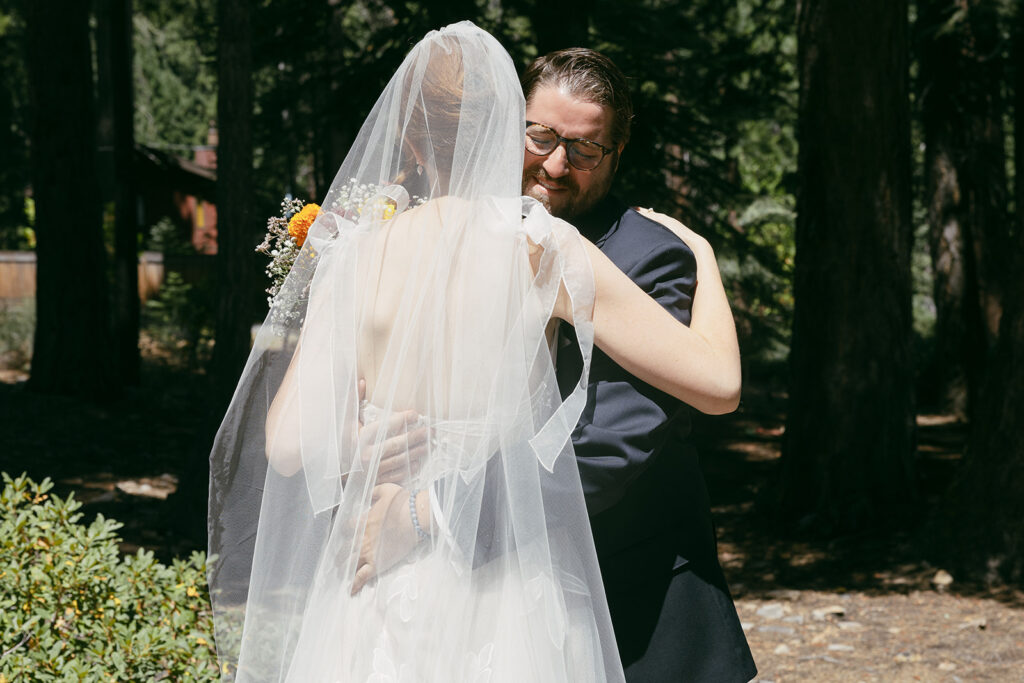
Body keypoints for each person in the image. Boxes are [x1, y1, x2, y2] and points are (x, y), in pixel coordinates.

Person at [208, 23, 740, 682]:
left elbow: (288, 446)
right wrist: (703, 256)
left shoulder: (352, 255)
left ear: (406, 139)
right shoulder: (543, 245)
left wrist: (363, 444)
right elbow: (718, 384)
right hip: (504, 587)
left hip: (379, 578)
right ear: (507, 126)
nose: (553, 161)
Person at [521, 48, 757, 682]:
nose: (555, 164)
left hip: (639, 607)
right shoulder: (473, 233)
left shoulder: (650, 254)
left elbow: (607, 446)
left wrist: (442, 516)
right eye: (540, 136)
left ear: (616, 154)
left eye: (584, 149)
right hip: (509, 603)